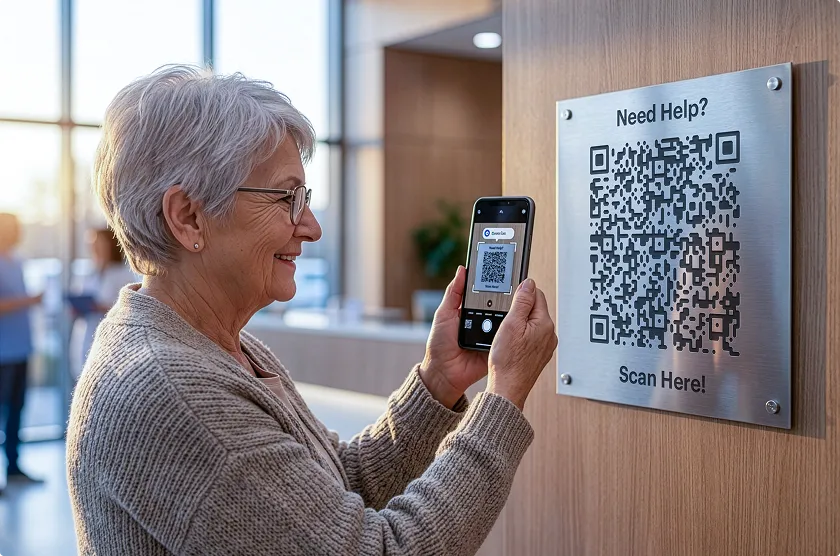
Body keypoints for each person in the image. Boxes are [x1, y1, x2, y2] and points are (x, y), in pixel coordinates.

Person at [66, 66, 558, 555]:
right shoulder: (175, 390)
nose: (312, 227)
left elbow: (340, 487)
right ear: (189, 217)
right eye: (287, 198)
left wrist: (438, 381)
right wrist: (503, 400)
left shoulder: (220, 347)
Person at [0, 213, 44, 493]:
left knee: (16, 409)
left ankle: (13, 468)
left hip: (21, 349)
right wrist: (29, 301)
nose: (17, 232)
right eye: (11, 228)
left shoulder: (17, 261)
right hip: (2, 352)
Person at [69, 228, 137, 379]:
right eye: (92, 244)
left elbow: (130, 309)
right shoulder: (89, 273)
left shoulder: (122, 274)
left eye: (99, 243)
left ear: (110, 245)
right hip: (85, 335)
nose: (94, 248)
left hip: (112, 341)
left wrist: (100, 307)